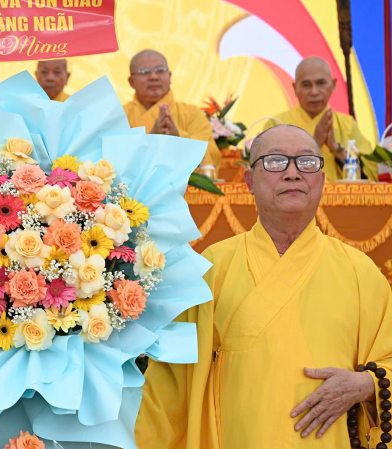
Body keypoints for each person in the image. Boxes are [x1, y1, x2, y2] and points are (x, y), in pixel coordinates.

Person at [135, 125, 392, 448]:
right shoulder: (213, 267)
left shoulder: (360, 272)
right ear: (249, 182)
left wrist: (365, 385)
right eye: (275, 162)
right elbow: (170, 381)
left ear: (322, 180)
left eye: (306, 162)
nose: (293, 173)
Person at [265, 56, 376, 182]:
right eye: (306, 85)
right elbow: (268, 174)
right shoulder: (276, 125)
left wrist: (336, 149)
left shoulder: (347, 125)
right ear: (295, 88)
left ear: (333, 85)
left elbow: (371, 175)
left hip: (340, 195)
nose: (314, 92)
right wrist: (315, 143)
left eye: (321, 83)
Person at [123, 49, 221, 175]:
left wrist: (177, 137)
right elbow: (111, 160)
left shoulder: (192, 113)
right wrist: (151, 137)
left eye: (160, 70)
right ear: (131, 82)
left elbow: (210, 155)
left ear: (169, 76)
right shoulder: (120, 115)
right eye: (144, 72)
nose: (153, 77)